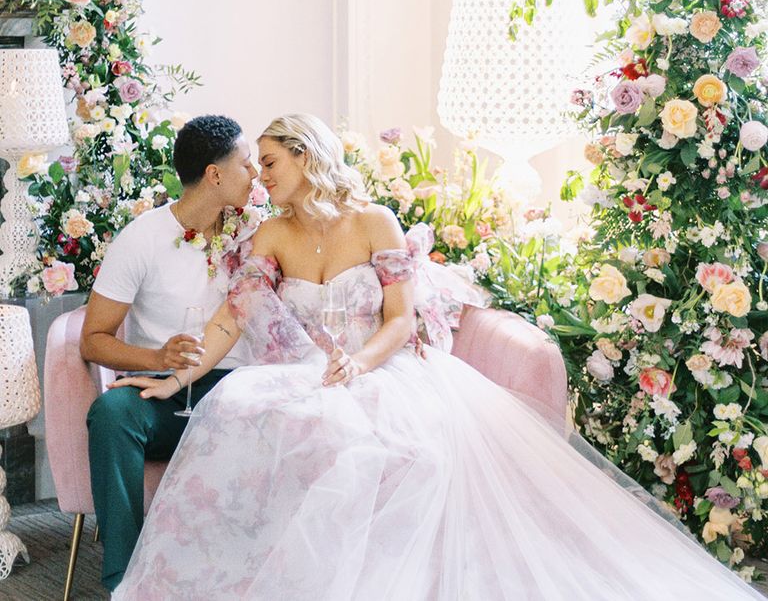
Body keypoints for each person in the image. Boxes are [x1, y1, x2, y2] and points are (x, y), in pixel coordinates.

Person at [111, 114, 761, 600]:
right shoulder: (274, 232)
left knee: (374, 442)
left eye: (271, 163)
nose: (262, 178)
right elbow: (232, 316)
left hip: (382, 370)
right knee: (246, 406)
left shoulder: (374, 224)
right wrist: (181, 377)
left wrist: (359, 365)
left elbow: (399, 320)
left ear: (306, 158)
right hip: (309, 374)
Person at [80, 114, 260, 591]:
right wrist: (158, 359)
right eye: (247, 164)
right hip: (165, 392)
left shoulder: (255, 233)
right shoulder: (141, 238)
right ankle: (126, 579)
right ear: (215, 174)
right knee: (112, 413)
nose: (256, 173)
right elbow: (93, 338)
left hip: (237, 392)